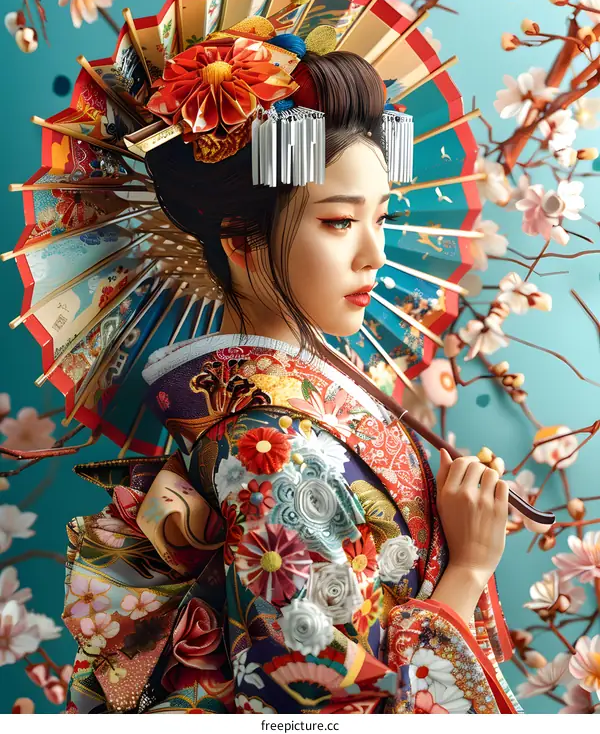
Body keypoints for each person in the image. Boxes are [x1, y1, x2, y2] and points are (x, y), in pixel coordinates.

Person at [61, 35, 522, 713]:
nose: (376, 254)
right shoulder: (267, 451)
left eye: (381, 217)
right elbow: (322, 716)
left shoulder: (292, 416)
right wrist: (468, 569)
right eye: (339, 222)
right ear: (244, 241)